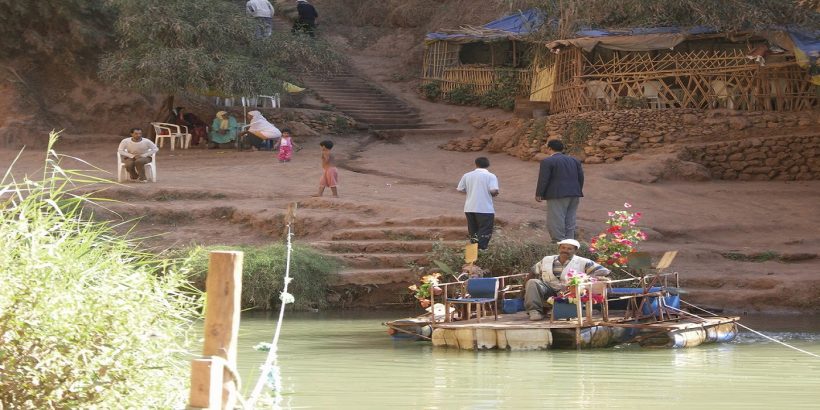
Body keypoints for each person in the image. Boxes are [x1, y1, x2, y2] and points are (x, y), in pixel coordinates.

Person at [524, 239, 610, 321]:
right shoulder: (547, 259)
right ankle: (534, 311)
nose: (565, 250)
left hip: (570, 291)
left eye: (569, 249)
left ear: (575, 250)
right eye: (563, 248)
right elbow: (533, 271)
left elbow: (604, 271)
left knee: (576, 290)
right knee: (532, 282)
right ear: (559, 248)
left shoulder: (583, 262)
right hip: (549, 289)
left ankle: (568, 312)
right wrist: (524, 288)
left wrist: (587, 278)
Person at [535, 139, 584, 242]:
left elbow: (544, 179)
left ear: (549, 148)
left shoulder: (547, 161)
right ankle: (570, 242)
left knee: (556, 219)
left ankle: (559, 241)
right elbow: (581, 177)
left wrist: (539, 193)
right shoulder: (575, 160)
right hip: (574, 193)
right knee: (570, 219)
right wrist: (578, 190)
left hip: (556, 194)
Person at [456, 157, 499, 250]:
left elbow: (460, 189)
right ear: (488, 165)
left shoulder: (467, 175)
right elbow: (493, 190)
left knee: (473, 232)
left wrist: (471, 191)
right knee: (485, 231)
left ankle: (472, 254)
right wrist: (495, 193)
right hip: (485, 208)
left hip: (469, 207)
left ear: (476, 164)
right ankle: (480, 251)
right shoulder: (491, 176)